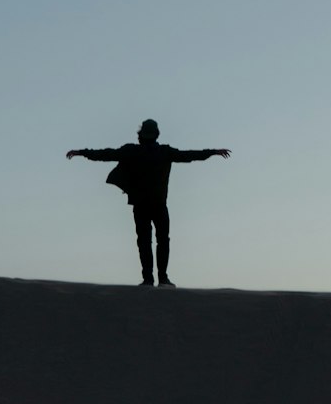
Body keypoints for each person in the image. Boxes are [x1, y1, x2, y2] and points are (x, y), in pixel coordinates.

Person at [66, 119, 231, 286]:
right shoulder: (164, 152)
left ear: (140, 135)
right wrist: (213, 152)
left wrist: (81, 152)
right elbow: (189, 155)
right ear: (156, 135)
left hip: (141, 205)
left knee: (145, 241)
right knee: (162, 240)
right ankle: (162, 278)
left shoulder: (132, 151)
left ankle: (148, 278)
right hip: (158, 205)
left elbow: (105, 154)